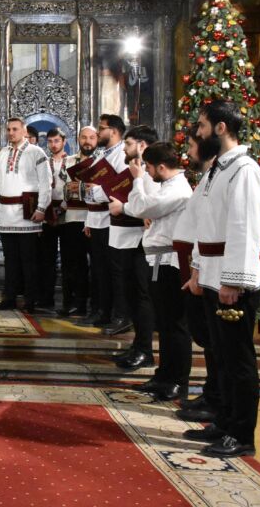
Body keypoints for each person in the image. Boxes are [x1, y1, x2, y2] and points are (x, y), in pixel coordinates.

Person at [176, 100, 260, 458]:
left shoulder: (244, 170)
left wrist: (234, 281)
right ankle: (225, 422)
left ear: (220, 128)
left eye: (201, 125)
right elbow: (204, 227)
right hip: (214, 278)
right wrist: (199, 270)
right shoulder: (218, 170)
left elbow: (244, 229)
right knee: (221, 359)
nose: (196, 132)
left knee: (238, 361)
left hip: (233, 284)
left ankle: (242, 434)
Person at [120, 141, 192, 399]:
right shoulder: (167, 187)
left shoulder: (178, 190)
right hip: (158, 260)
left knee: (175, 324)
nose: (147, 172)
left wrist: (137, 180)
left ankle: (178, 380)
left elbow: (141, 207)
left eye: (149, 167)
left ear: (161, 166)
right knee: (165, 322)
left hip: (171, 263)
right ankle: (164, 375)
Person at [174, 125, 221, 424]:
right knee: (210, 340)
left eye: (192, 143)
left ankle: (218, 400)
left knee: (219, 345)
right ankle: (211, 393)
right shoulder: (208, 176)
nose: (188, 150)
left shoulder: (233, 172)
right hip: (199, 268)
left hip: (217, 274)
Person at [0, 117, 50, 311]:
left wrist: (41, 208)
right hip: (6, 213)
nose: (10, 133)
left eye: (15, 129)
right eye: (8, 130)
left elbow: (45, 183)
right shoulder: (2, 154)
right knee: (10, 259)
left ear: (24, 132)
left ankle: (30, 300)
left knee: (29, 260)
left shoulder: (36, 152)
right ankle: (10, 297)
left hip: (27, 213)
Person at [106, 124, 158, 363]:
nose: (124, 148)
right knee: (131, 295)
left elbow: (151, 208)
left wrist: (124, 207)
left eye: (128, 144)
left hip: (142, 242)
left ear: (142, 145)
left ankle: (145, 350)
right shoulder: (134, 169)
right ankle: (138, 345)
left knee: (141, 296)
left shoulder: (152, 172)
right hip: (125, 238)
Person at [80, 114, 125, 330]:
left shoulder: (122, 154)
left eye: (102, 128)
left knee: (112, 271)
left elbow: (119, 187)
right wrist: (88, 219)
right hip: (96, 219)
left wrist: (94, 191)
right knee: (98, 270)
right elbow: (92, 183)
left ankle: (116, 314)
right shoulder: (102, 154)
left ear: (114, 131)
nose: (98, 133)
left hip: (112, 221)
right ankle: (100, 310)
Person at [57, 126, 97, 316]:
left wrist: (80, 188)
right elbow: (63, 191)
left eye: (91, 137)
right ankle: (76, 302)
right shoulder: (69, 161)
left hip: (96, 218)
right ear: (78, 139)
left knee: (97, 264)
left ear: (97, 140)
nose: (87, 141)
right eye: (84, 137)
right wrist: (71, 188)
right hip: (73, 217)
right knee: (74, 263)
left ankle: (97, 305)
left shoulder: (101, 162)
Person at [37, 127, 70, 313]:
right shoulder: (43, 162)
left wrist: (62, 207)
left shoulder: (71, 161)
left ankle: (68, 300)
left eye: (56, 141)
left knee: (68, 259)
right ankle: (45, 297)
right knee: (46, 259)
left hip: (66, 213)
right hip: (47, 212)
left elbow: (72, 186)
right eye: (50, 141)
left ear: (64, 141)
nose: (53, 145)